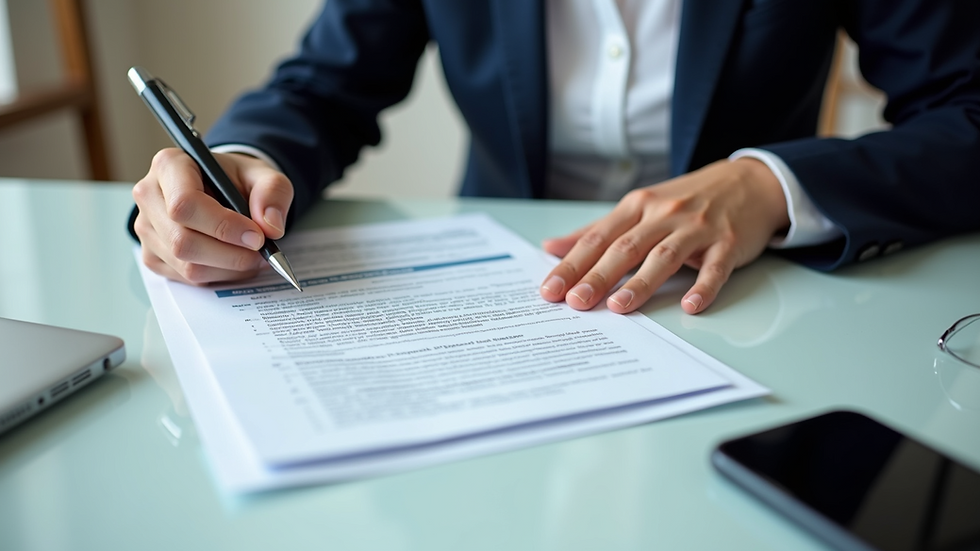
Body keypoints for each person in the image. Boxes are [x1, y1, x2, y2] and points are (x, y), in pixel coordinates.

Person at [130, 0, 980, 315]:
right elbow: (322, 86)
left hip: (755, 306)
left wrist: (768, 184)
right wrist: (233, 163)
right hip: (506, 300)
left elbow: (967, 107)